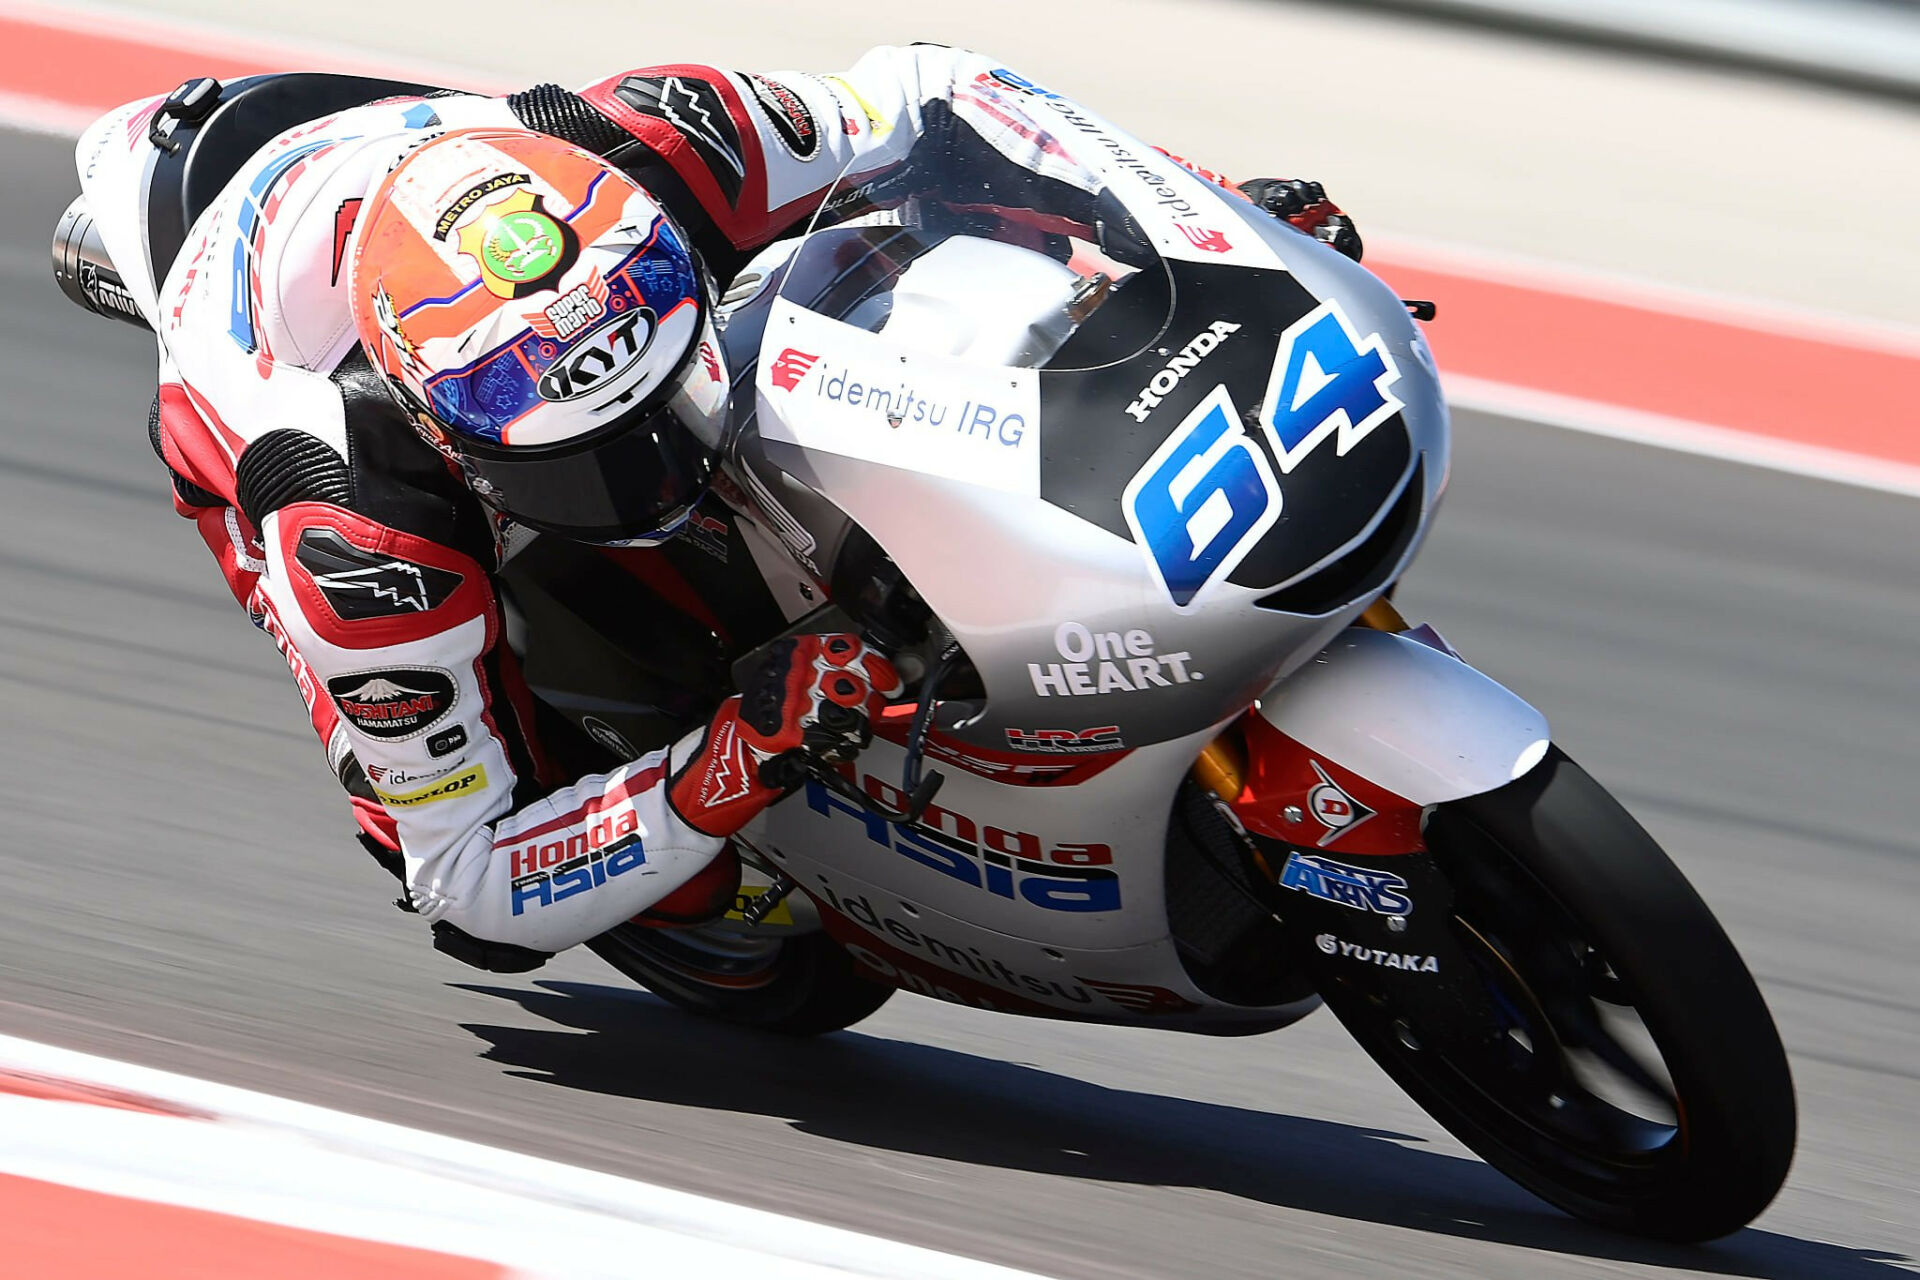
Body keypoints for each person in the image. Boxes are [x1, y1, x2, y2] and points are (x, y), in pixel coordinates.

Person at [124, 45, 1362, 972]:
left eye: (660, 413)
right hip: (255, 366)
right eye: (587, 465)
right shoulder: (349, 519)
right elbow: (468, 879)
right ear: (446, 431)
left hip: (442, 188)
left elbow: (947, 100)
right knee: (493, 884)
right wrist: (727, 766)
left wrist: (1204, 220)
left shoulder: (678, 135)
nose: (654, 476)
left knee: (905, 241)